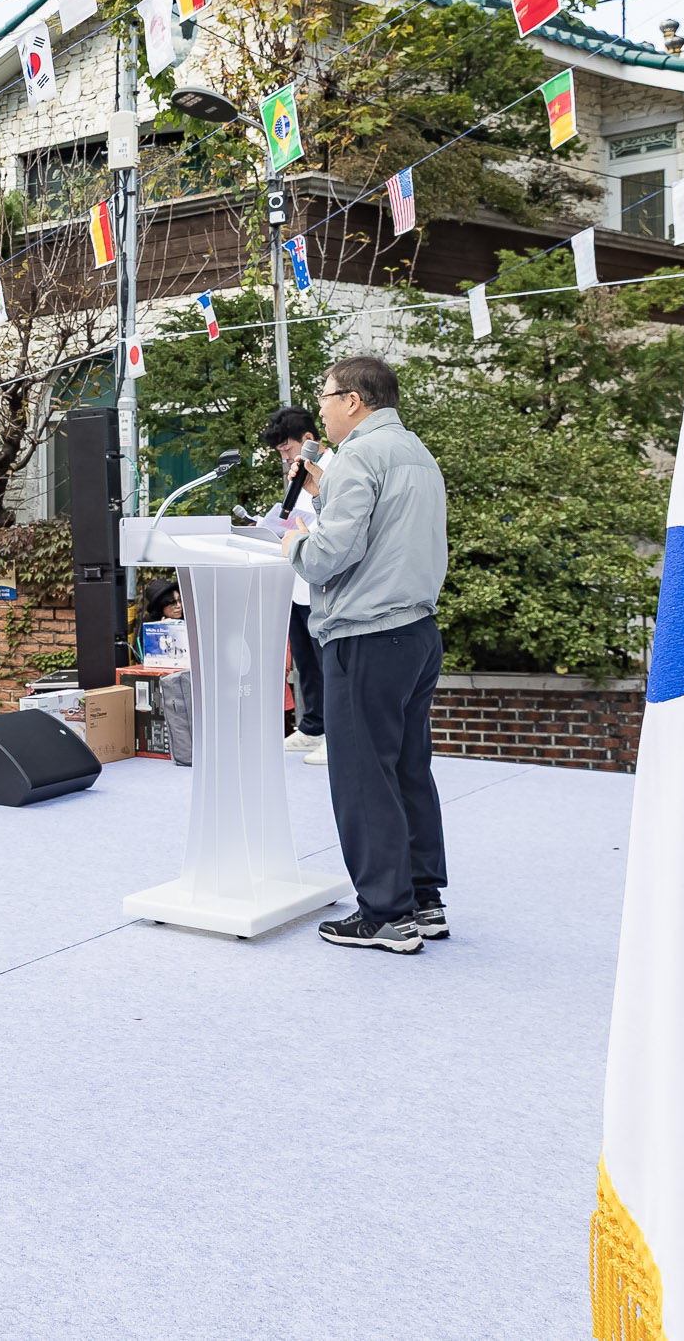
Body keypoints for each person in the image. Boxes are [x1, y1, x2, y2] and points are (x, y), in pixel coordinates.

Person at [281, 355, 450, 955]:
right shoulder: (414, 451)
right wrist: (323, 494)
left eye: (325, 397)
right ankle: (423, 901)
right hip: (415, 631)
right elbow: (386, 532)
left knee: (362, 778)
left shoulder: (355, 455)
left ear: (354, 400)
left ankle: (384, 913)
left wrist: (294, 542)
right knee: (406, 769)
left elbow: (331, 554)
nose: (320, 408)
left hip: (365, 633)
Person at [263, 405, 328, 762]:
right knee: (305, 661)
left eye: (287, 449)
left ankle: (336, 732)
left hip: (322, 580)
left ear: (308, 441)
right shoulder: (296, 478)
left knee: (328, 661)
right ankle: (312, 725)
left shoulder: (334, 469)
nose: (285, 457)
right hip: (295, 580)